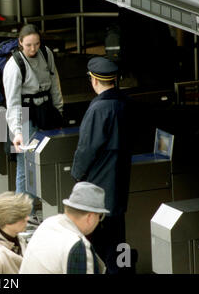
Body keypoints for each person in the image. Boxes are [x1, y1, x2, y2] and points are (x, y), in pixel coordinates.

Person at [71, 56, 132, 274]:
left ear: (94, 81)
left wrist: (77, 174)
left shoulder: (98, 109)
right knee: (119, 236)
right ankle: (122, 270)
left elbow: (87, 147)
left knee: (98, 239)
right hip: (120, 181)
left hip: (98, 184)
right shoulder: (124, 103)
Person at [3, 24, 63, 224]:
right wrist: (17, 132)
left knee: (44, 158)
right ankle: (24, 212)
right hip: (25, 113)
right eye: (28, 45)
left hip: (46, 109)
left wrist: (59, 110)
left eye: (36, 44)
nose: (33, 49)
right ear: (20, 43)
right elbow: (12, 103)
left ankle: (36, 206)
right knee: (25, 164)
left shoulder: (46, 54)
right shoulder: (14, 65)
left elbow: (55, 83)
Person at [19, 182, 108, 274]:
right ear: (90, 217)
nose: (98, 221)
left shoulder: (47, 224)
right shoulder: (77, 245)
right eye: (99, 217)